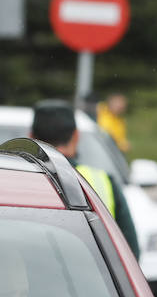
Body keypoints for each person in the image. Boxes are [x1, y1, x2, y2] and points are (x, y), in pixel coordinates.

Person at [31, 99, 141, 259]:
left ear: (31, 136)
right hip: (92, 282)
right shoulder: (103, 182)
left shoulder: (15, 180)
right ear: (76, 136)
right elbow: (130, 254)